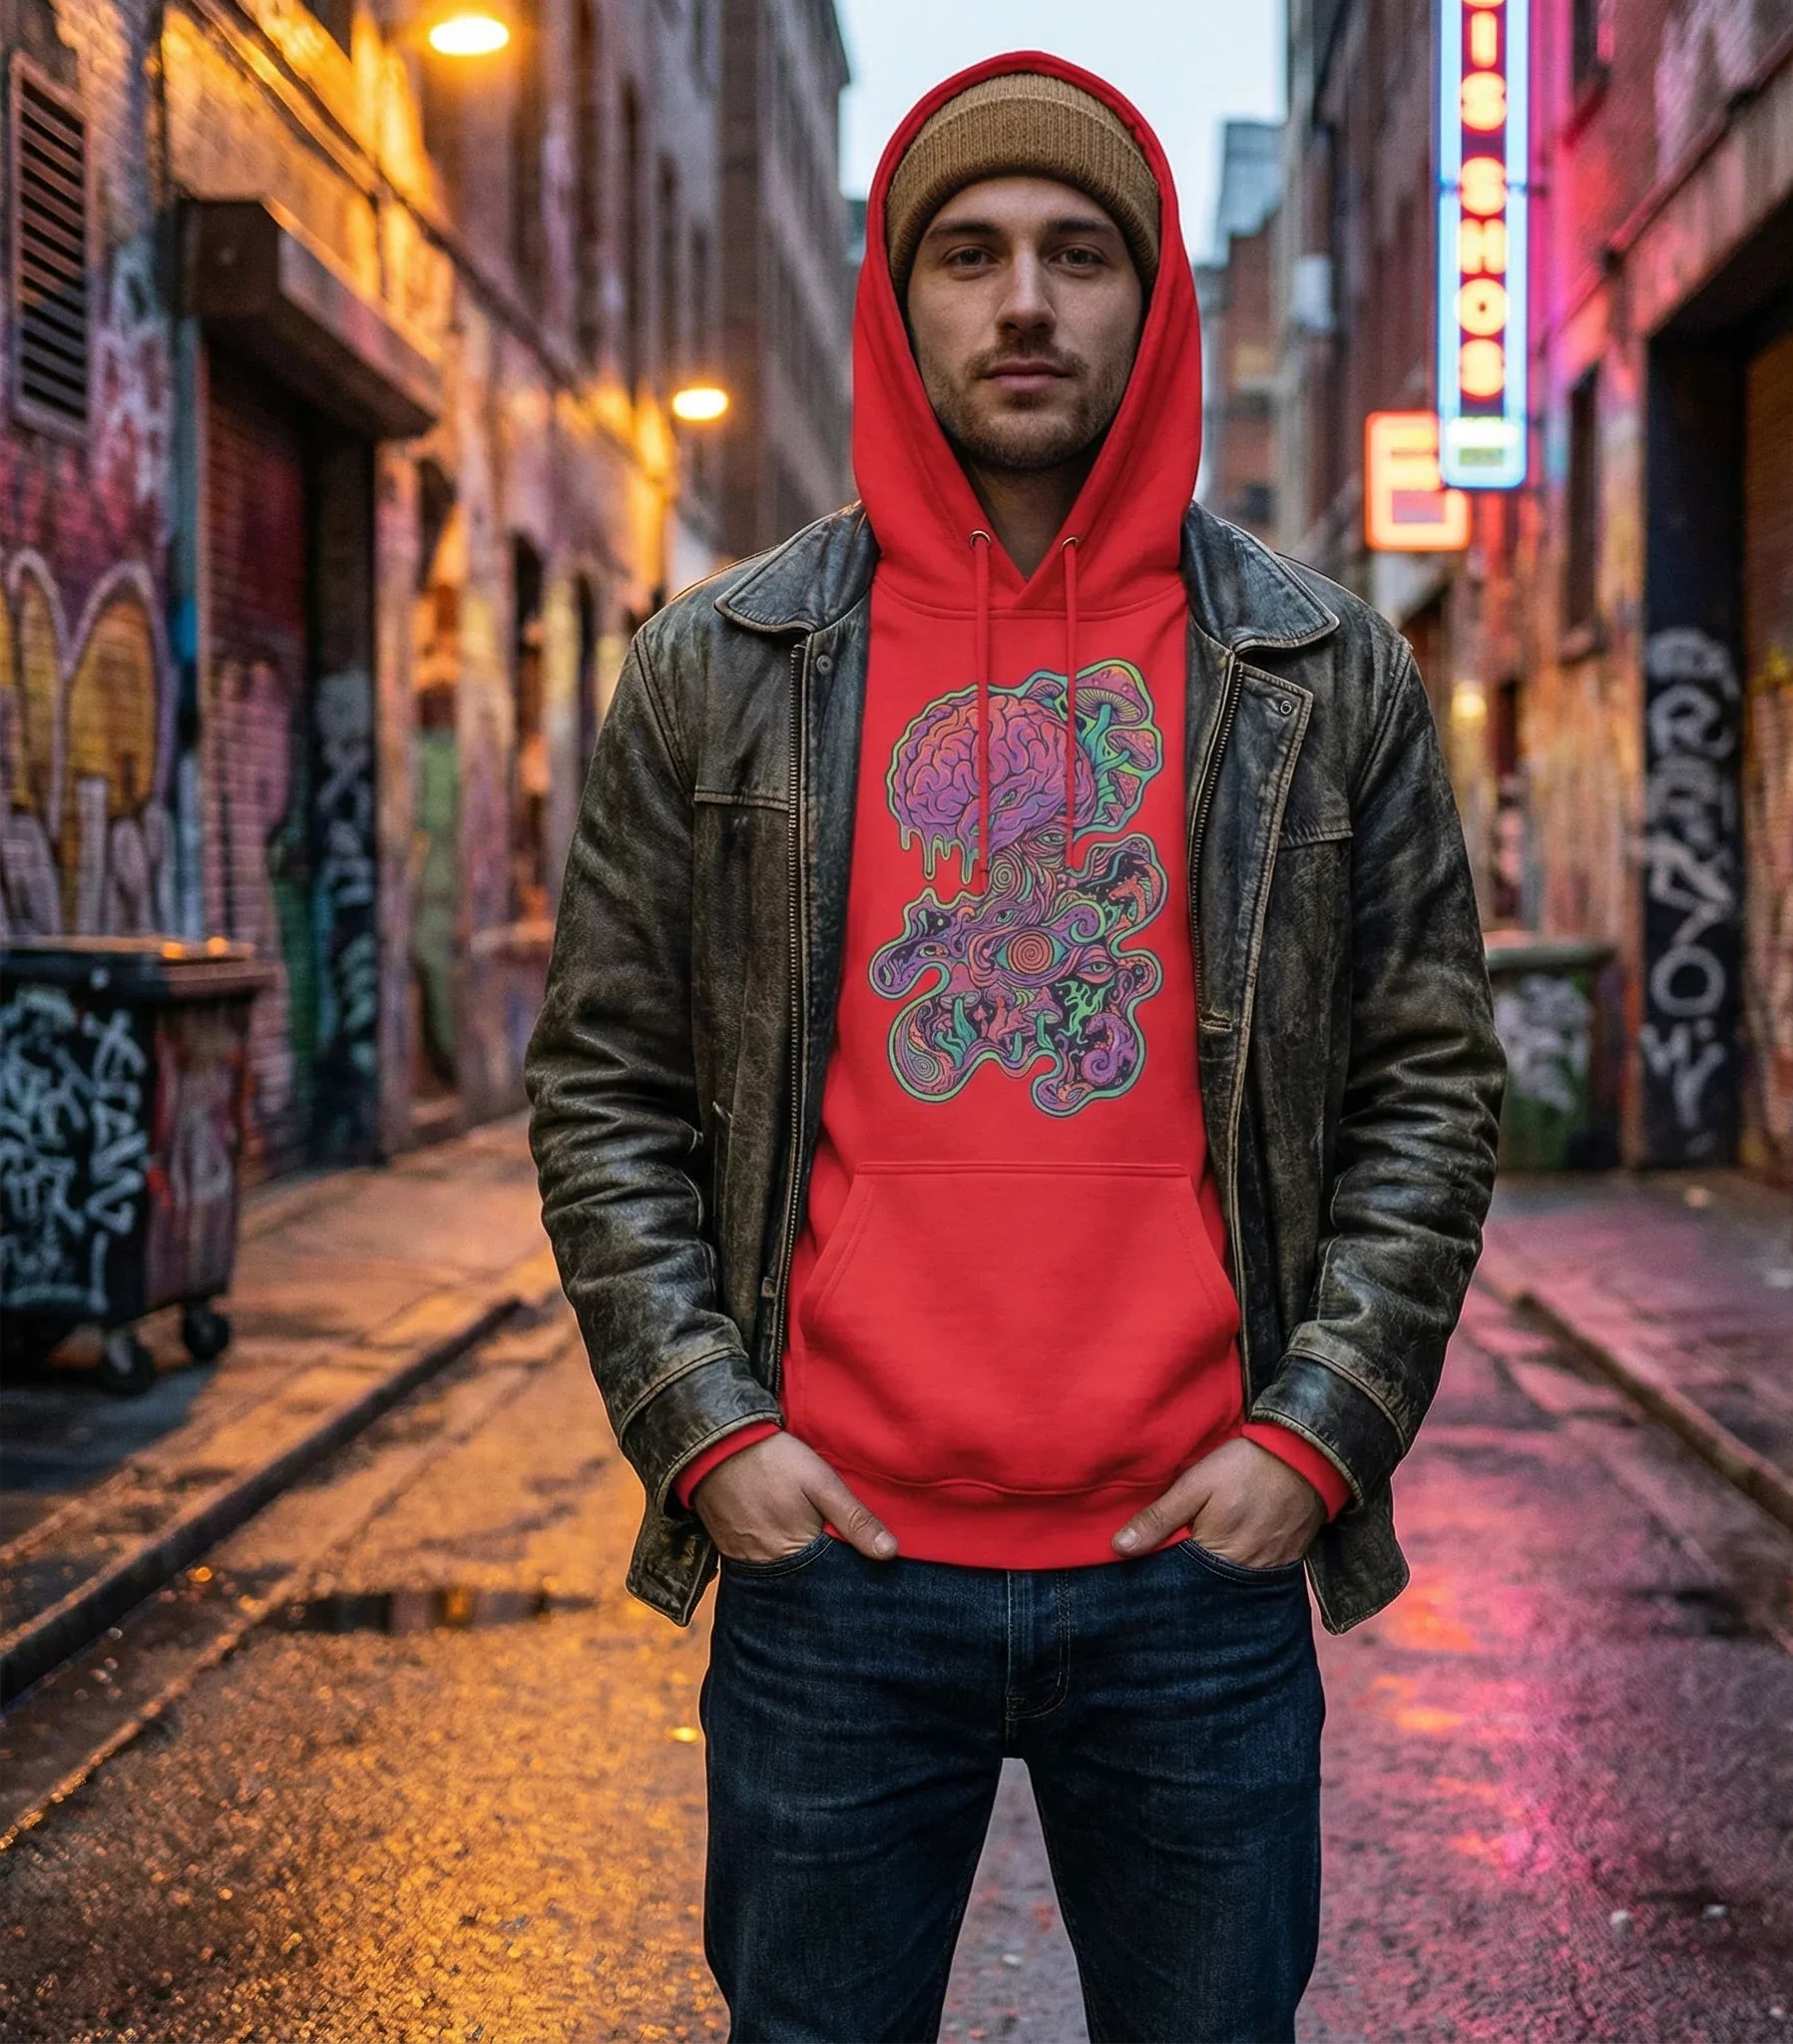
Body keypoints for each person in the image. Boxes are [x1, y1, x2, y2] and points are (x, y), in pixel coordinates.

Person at [525, 51, 1504, 2044]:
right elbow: (607, 1077)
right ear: (898, 301)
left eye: (1079, 253)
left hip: (1197, 1575)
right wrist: (712, 1432)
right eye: (966, 255)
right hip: (834, 1566)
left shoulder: (1322, 670)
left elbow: (1426, 1080)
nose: (1027, 302)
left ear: (1152, 302)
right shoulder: (722, 669)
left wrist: (1312, 1437)